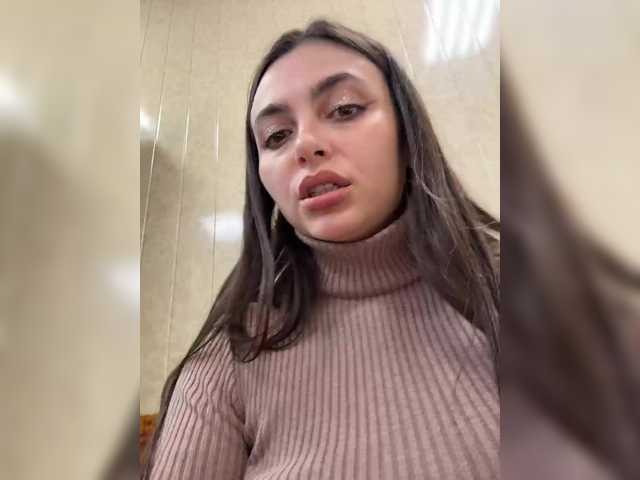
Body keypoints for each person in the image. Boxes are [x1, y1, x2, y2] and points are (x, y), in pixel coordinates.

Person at [142, 19, 500, 479]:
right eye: (277, 136)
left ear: (408, 133)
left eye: (345, 109)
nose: (305, 145)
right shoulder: (230, 360)